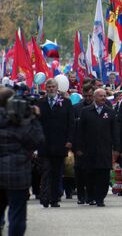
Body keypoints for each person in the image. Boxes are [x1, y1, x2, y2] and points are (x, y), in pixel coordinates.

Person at [0, 87, 44, 236]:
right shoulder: (20, 123)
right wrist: (35, 119)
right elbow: (37, 140)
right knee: (17, 215)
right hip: (17, 175)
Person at [75, 89, 120, 207]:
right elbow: (80, 131)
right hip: (89, 149)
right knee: (90, 174)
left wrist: (116, 148)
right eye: (101, 96)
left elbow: (115, 131)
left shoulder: (110, 112)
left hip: (105, 148)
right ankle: (90, 196)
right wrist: (78, 147)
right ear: (95, 97)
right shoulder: (85, 111)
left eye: (105, 96)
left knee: (104, 174)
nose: (103, 98)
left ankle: (100, 198)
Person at [36, 78, 74, 208]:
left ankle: (54, 198)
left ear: (57, 88)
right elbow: (36, 123)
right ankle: (44, 197)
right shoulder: (40, 103)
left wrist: (69, 140)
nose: (51, 89)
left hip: (60, 143)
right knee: (46, 170)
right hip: (44, 143)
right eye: (49, 87)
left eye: (53, 87)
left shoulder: (66, 102)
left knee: (57, 172)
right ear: (46, 88)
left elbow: (71, 123)